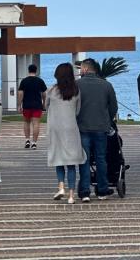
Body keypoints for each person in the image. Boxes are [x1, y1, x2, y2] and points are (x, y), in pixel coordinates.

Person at [76, 59, 117, 202]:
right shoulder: (106, 85)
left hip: (82, 128)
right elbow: (113, 108)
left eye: (81, 68)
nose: (80, 71)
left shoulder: (77, 85)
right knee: (101, 159)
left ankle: (85, 191)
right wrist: (107, 120)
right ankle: (102, 190)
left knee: (84, 160)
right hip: (101, 128)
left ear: (86, 69)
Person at [45, 62, 86, 205]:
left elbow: (46, 106)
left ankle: (61, 186)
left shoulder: (51, 91)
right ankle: (71, 196)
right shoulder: (76, 91)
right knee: (71, 163)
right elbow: (78, 111)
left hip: (55, 128)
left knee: (59, 158)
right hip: (71, 128)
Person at [17, 64, 48, 149]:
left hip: (26, 105)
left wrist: (19, 105)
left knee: (26, 122)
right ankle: (34, 143)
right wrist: (44, 103)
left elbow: (20, 93)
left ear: (28, 70)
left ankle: (27, 140)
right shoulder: (40, 81)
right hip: (37, 105)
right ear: (36, 71)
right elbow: (44, 93)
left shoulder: (24, 81)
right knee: (36, 124)